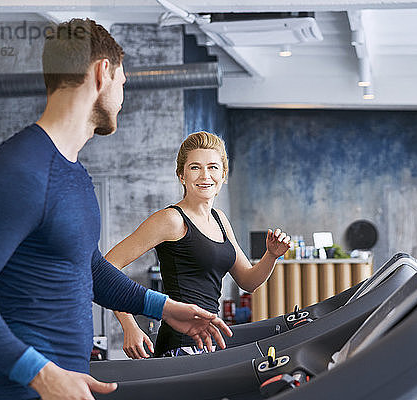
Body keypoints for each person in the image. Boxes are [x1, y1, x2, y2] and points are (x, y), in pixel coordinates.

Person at [0, 19, 231, 400]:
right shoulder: (19, 169)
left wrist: (164, 307)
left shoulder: (73, 173)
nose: (123, 98)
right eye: (123, 83)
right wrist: (40, 374)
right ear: (101, 72)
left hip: (70, 386)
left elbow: (88, 266)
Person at [104, 131, 291, 358]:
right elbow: (108, 266)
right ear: (182, 175)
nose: (205, 175)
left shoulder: (220, 219)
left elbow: (248, 281)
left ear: (223, 174)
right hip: (178, 346)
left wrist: (271, 255)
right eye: (195, 167)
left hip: (210, 342)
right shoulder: (171, 219)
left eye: (213, 167)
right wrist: (129, 324)